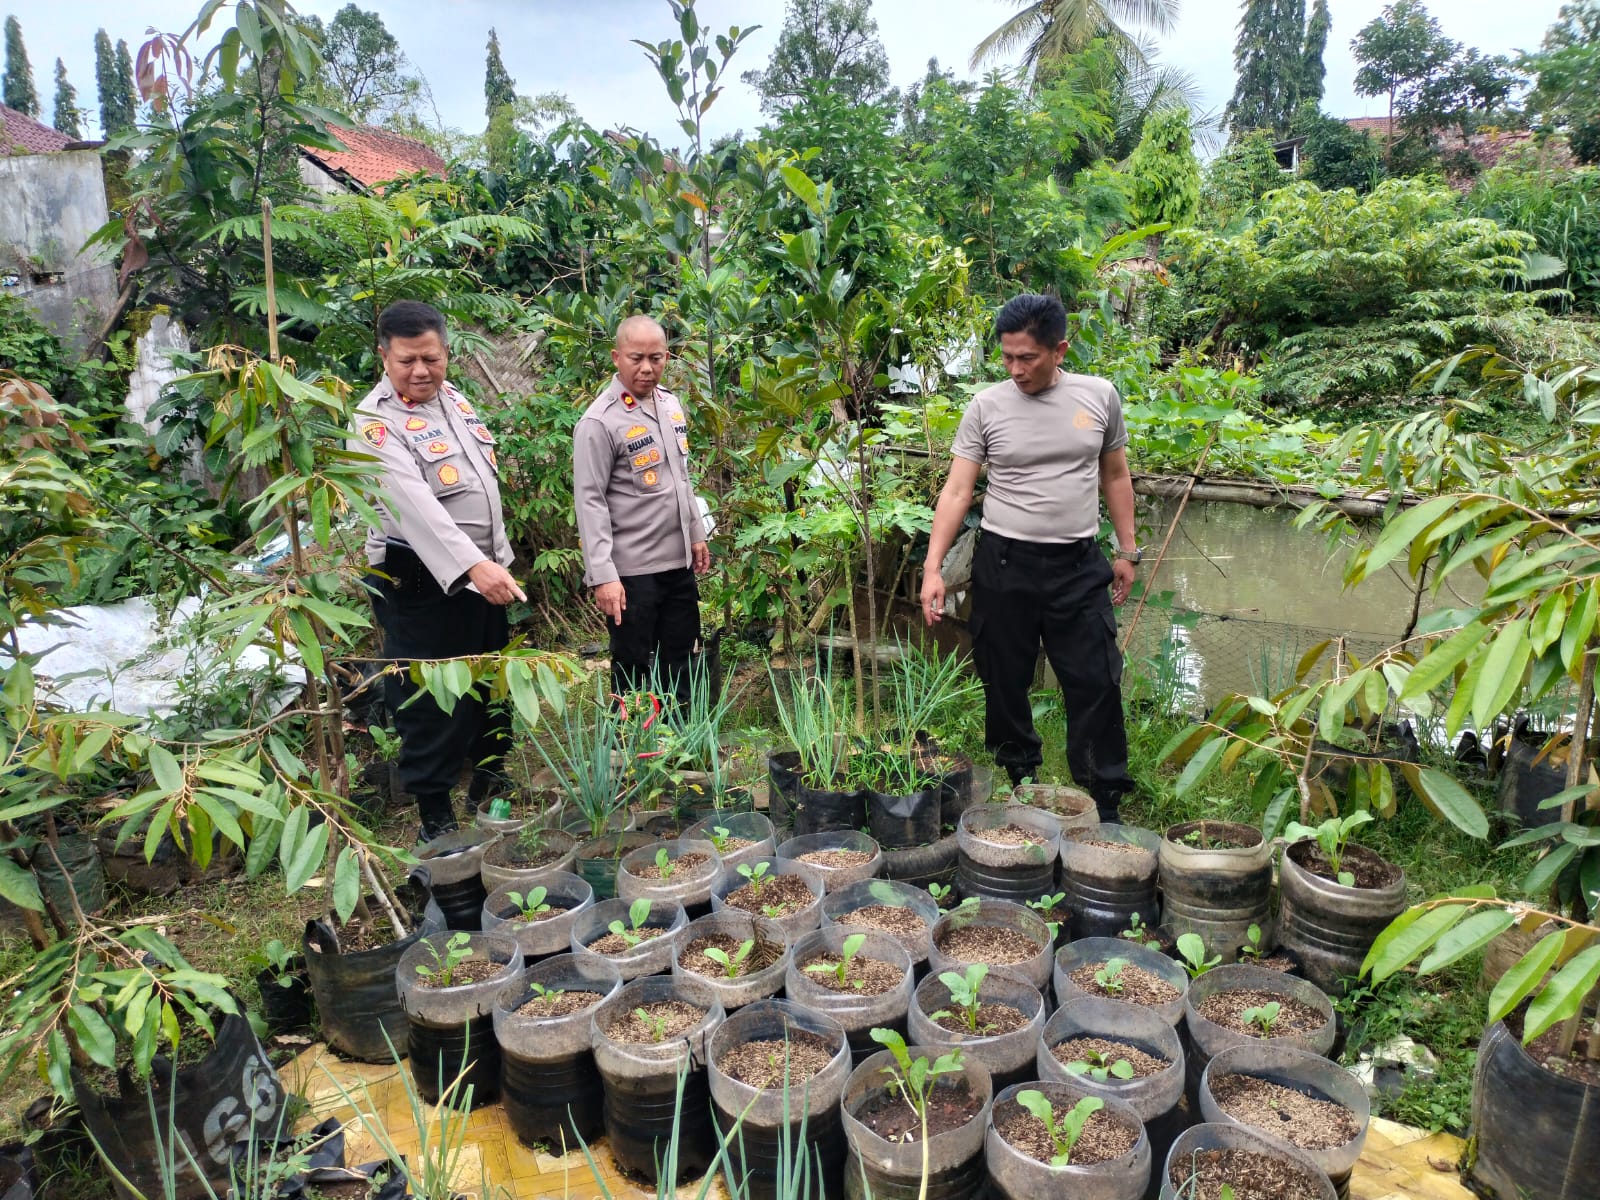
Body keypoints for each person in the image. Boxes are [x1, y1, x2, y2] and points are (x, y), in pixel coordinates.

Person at [919, 293, 1140, 822]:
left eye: (1028, 358)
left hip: (1077, 564)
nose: (1015, 369)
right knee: (1004, 677)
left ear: (1060, 349)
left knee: (1096, 680)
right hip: (1003, 563)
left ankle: (1102, 800)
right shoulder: (987, 407)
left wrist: (1127, 549)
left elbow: (1115, 475)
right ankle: (1020, 781)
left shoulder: (1099, 397)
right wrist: (933, 567)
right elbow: (955, 491)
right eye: (1008, 357)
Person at [351, 300, 526, 842]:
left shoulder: (452, 399)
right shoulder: (374, 425)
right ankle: (436, 819)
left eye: (431, 358)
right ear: (383, 356)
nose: (421, 371)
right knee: (429, 699)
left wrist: (492, 561)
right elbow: (417, 511)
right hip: (421, 583)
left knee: (490, 684)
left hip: (482, 574)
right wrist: (476, 567)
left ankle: (489, 787)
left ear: (447, 351)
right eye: (407, 361)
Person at [573, 315, 711, 705]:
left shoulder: (669, 404)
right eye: (636, 358)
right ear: (617, 357)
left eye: (657, 357)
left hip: (677, 565)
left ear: (667, 357)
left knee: (681, 658)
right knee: (633, 665)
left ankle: (682, 746)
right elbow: (590, 501)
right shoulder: (599, 422)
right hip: (632, 573)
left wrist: (697, 534)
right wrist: (602, 576)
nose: (647, 368)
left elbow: (682, 478)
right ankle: (632, 753)